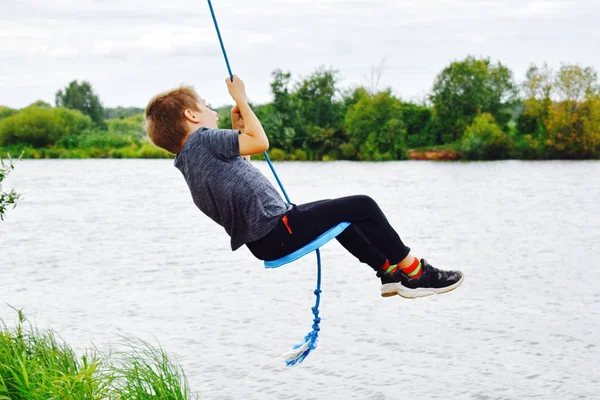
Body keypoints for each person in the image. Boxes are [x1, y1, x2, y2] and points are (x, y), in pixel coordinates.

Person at [144, 75, 464, 298]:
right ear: (190, 115)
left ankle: (387, 273)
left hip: (269, 239)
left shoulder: (189, 161)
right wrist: (241, 98)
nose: (213, 111)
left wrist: (238, 127)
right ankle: (415, 272)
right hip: (280, 228)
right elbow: (261, 142)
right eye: (205, 106)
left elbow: (239, 173)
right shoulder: (203, 140)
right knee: (362, 205)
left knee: (342, 219)